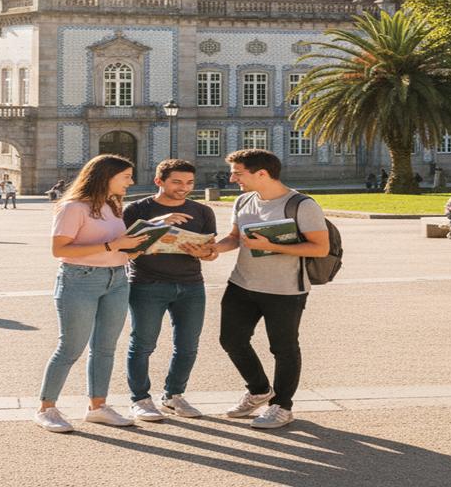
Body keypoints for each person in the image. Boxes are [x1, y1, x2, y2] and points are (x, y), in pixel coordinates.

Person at [208, 148, 330, 430]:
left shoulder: (302, 205)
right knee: (231, 340)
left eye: (238, 173)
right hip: (242, 283)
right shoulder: (243, 201)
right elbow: (234, 238)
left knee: (283, 348)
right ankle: (259, 390)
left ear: (261, 173)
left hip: (285, 289)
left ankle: (282, 406)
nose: (232, 177)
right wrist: (213, 249)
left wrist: (272, 246)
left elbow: (320, 248)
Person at [34, 154, 148, 434]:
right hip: (80, 280)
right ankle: (46, 409)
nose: (131, 182)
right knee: (70, 347)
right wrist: (113, 245)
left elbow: (114, 244)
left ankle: (98, 407)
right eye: (126, 176)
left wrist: (132, 248)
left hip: (118, 279)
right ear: (106, 176)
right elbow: (60, 250)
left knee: (105, 348)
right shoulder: (73, 207)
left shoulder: (114, 205)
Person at [122, 159, 217, 422]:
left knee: (187, 346)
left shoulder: (202, 211)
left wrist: (205, 253)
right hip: (146, 284)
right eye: (176, 182)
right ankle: (140, 399)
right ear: (159, 181)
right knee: (143, 344)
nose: (183, 188)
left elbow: (212, 252)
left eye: (189, 183)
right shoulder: (136, 209)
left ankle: (173, 396)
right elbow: (125, 248)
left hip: (191, 285)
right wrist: (157, 223)